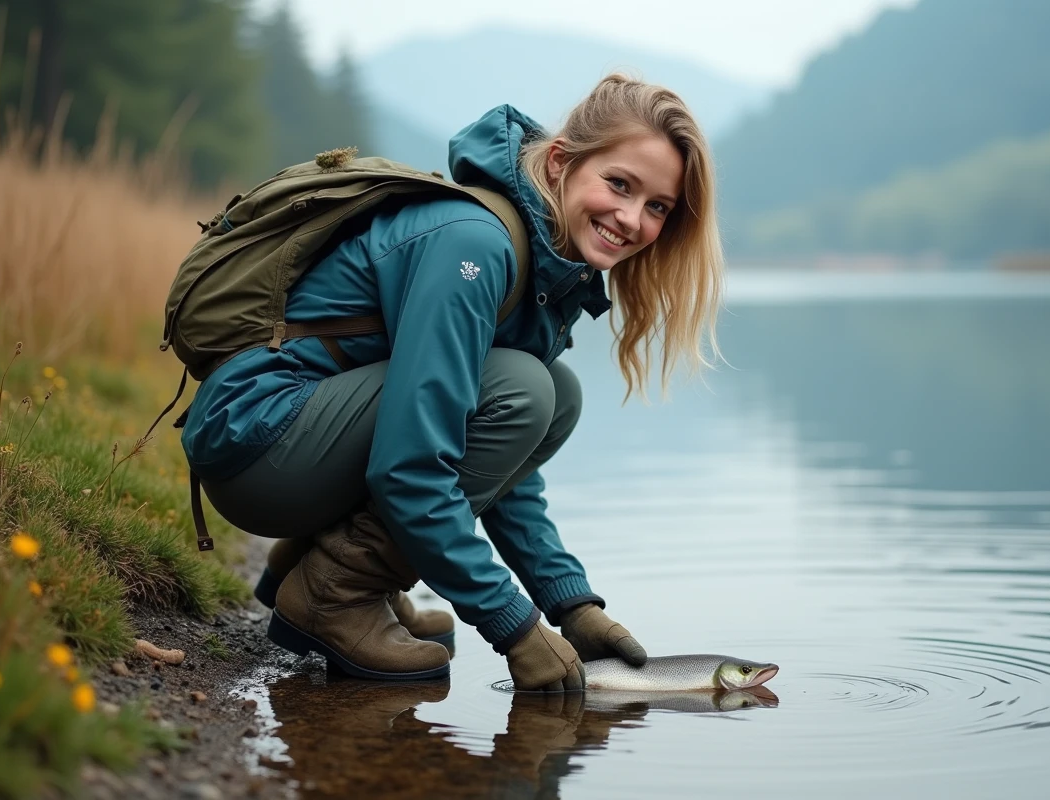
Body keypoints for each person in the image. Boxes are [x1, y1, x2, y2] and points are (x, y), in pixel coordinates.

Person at [180, 73, 724, 691]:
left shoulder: (545, 257)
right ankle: (333, 593)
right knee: (528, 389)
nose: (631, 218)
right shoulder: (477, 245)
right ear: (561, 161)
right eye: (619, 185)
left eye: (657, 207)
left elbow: (492, 458)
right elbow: (414, 465)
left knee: (553, 395)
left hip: (300, 442)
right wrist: (513, 627)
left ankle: (331, 569)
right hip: (259, 445)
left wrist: (568, 602)